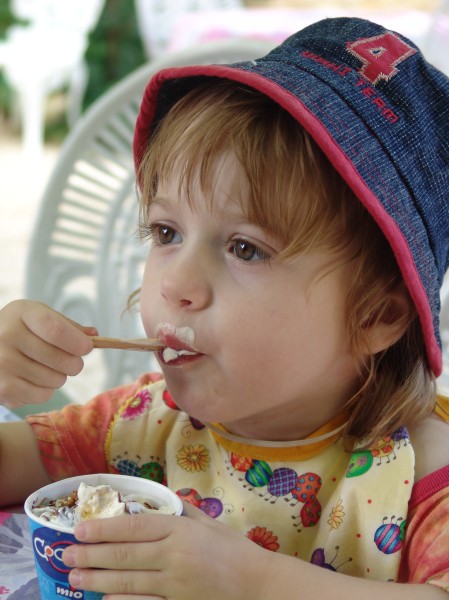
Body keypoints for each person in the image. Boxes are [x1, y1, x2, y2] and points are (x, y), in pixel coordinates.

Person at [1, 16, 449, 599]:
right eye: (165, 233)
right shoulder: (141, 425)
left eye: (245, 248)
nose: (176, 282)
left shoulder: (423, 471)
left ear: (376, 317)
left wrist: (252, 582)